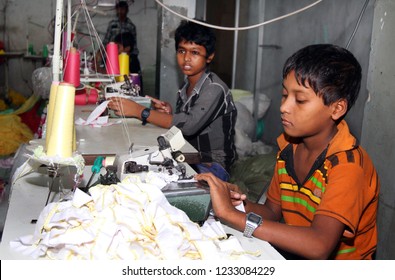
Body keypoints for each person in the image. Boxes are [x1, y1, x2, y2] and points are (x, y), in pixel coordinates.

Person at [195, 44, 380, 260]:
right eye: (285, 95)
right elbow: (272, 212)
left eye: (300, 100)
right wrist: (238, 204)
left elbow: (319, 245)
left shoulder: (348, 166)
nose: (284, 107)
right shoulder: (288, 149)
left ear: (337, 108)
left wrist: (232, 216)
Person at [108, 20, 238, 181]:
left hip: (212, 165)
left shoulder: (214, 88)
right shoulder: (186, 85)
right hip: (188, 155)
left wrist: (139, 111)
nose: (186, 58)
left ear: (210, 56)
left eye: (195, 52)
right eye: (182, 51)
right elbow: (186, 120)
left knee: (149, 181)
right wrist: (170, 113)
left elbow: (189, 126)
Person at [96, 1, 141, 74]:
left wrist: (130, 57)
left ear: (127, 10)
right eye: (119, 9)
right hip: (113, 54)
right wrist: (100, 52)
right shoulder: (112, 24)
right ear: (116, 10)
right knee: (110, 73)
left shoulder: (131, 26)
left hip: (126, 54)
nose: (120, 11)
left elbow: (133, 44)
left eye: (123, 9)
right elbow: (106, 40)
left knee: (126, 73)